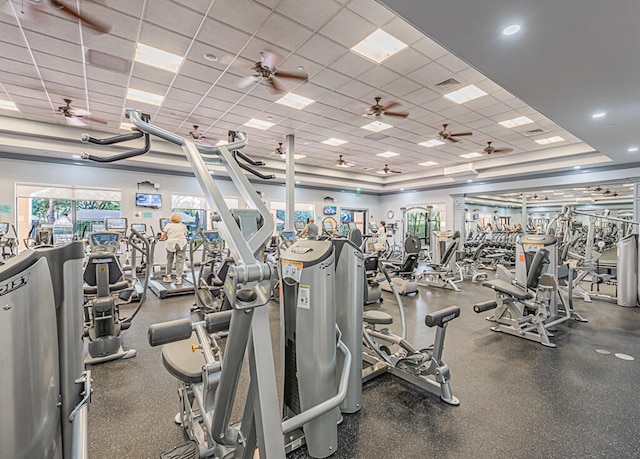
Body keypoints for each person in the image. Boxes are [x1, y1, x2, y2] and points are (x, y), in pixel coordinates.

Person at [159, 213, 188, 285]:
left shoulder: (168, 225)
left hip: (171, 244)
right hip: (181, 244)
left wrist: (161, 238)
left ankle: (168, 277)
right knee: (180, 261)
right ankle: (179, 279)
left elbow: (164, 236)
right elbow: (185, 235)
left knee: (169, 260)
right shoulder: (183, 226)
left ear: (171, 219)